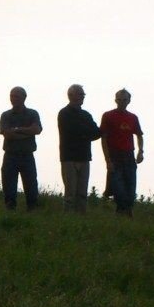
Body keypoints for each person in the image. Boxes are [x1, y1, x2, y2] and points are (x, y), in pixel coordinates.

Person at [57, 84, 102, 213]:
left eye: (83, 94)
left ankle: (81, 217)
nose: (83, 96)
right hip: (69, 158)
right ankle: (69, 218)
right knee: (70, 192)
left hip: (84, 157)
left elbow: (96, 133)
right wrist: (86, 132)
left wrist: (84, 133)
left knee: (82, 192)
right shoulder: (64, 113)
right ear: (71, 95)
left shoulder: (86, 115)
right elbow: (74, 131)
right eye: (80, 94)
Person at [100, 89, 144, 217]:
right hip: (115, 155)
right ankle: (122, 211)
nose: (122, 102)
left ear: (129, 101)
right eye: (119, 99)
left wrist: (140, 151)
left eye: (124, 100)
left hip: (129, 155)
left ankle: (125, 212)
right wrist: (108, 160)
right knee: (118, 187)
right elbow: (104, 138)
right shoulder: (108, 116)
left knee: (130, 186)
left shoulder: (133, 117)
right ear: (115, 100)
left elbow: (139, 135)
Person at [0, 86, 42, 211]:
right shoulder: (5, 115)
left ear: (24, 97)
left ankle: (32, 211)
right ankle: (10, 212)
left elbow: (37, 130)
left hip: (27, 155)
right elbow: (7, 134)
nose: (13, 99)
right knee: (9, 187)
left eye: (16, 96)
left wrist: (18, 130)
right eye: (11, 96)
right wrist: (28, 132)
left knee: (31, 186)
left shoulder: (33, 113)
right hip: (10, 155)